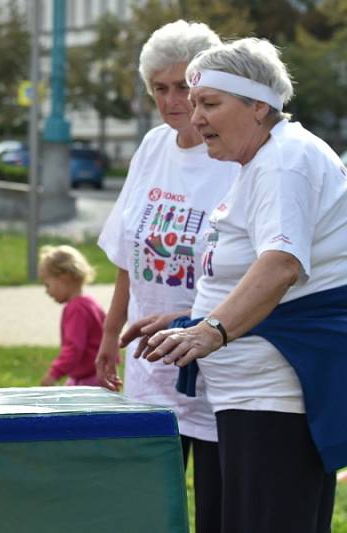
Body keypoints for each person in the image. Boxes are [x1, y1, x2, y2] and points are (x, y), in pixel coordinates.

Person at [140, 37, 347, 533]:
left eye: (210, 104)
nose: (196, 119)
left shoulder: (284, 162)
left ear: (259, 106)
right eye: (194, 106)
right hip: (252, 396)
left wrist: (209, 330)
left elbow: (280, 264)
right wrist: (187, 320)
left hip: (274, 399)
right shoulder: (263, 161)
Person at [95, 20, 240, 533]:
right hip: (150, 363)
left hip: (218, 361)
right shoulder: (154, 147)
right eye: (161, 88)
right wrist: (111, 334)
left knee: (218, 509)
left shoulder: (235, 155)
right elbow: (127, 256)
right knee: (149, 505)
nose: (173, 100)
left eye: (185, 86)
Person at [37, 245, 105, 387]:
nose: (47, 291)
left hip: (88, 383)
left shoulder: (76, 309)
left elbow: (73, 348)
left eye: (47, 284)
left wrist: (54, 374)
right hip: (98, 376)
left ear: (64, 278)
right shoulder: (90, 303)